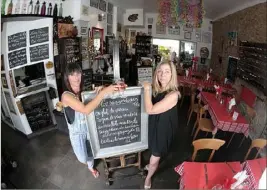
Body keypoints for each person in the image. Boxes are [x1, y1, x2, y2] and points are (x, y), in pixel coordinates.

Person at [61, 63, 121, 178]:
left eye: (78, 73)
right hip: (77, 134)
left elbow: (92, 102)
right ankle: (89, 165)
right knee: (83, 158)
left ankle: (91, 167)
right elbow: (85, 109)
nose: (76, 77)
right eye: (72, 75)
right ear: (67, 77)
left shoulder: (83, 91)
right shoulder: (66, 96)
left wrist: (96, 92)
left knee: (92, 152)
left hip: (89, 128)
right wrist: (103, 93)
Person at [142, 61, 180, 189]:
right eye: (160, 71)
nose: (162, 74)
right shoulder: (157, 89)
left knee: (154, 159)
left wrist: (147, 89)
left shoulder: (173, 94)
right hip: (155, 125)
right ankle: (150, 165)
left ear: (172, 75)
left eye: (167, 71)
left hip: (163, 130)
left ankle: (148, 178)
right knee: (153, 150)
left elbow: (150, 110)